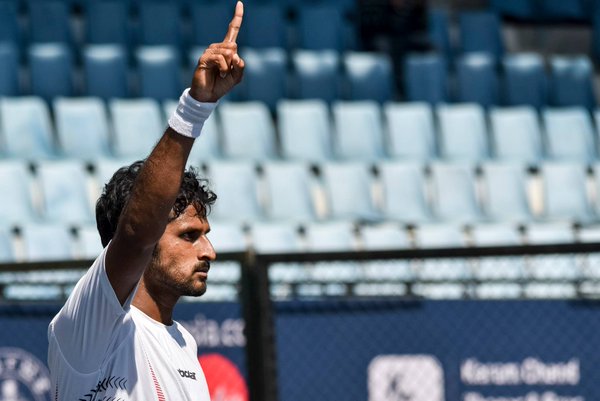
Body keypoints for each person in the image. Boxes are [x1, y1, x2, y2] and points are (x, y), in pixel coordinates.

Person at [47, 2, 245, 400]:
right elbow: (136, 235)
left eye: (205, 234)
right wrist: (195, 108)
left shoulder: (184, 344)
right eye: (189, 235)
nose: (210, 252)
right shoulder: (92, 324)